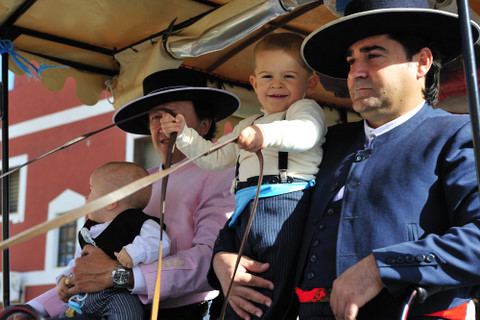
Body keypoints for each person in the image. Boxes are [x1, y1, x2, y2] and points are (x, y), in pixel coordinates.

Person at [210, 0, 480, 319]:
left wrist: (381, 268)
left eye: (373, 55)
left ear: (421, 63)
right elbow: (258, 195)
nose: (355, 72)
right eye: (351, 60)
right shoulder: (328, 141)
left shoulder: (457, 134)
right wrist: (223, 258)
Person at [13, 68, 238, 320]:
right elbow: (92, 266)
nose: (162, 126)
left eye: (174, 116)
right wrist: (33, 309)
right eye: (155, 117)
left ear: (204, 125)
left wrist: (121, 276)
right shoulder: (137, 181)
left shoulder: (220, 175)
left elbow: (211, 258)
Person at [160, 33, 326, 319]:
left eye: (288, 76)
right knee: (240, 283)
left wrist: (264, 135)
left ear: (309, 83)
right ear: (254, 83)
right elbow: (214, 158)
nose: (276, 84)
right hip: (245, 210)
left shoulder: (304, 110)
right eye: (267, 76)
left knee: (271, 282)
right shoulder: (247, 124)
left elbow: (306, 133)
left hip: (285, 204)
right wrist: (185, 136)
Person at [58, 161, 170, 319]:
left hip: (116, 293)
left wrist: (133, 252)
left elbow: (159, 242)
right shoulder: (88, 230)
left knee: (128, 313)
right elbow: (78, 261)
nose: (86, 197)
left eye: (91, 191)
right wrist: (64, 278)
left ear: (110, 202)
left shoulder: (137, 221)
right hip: (84, 297)